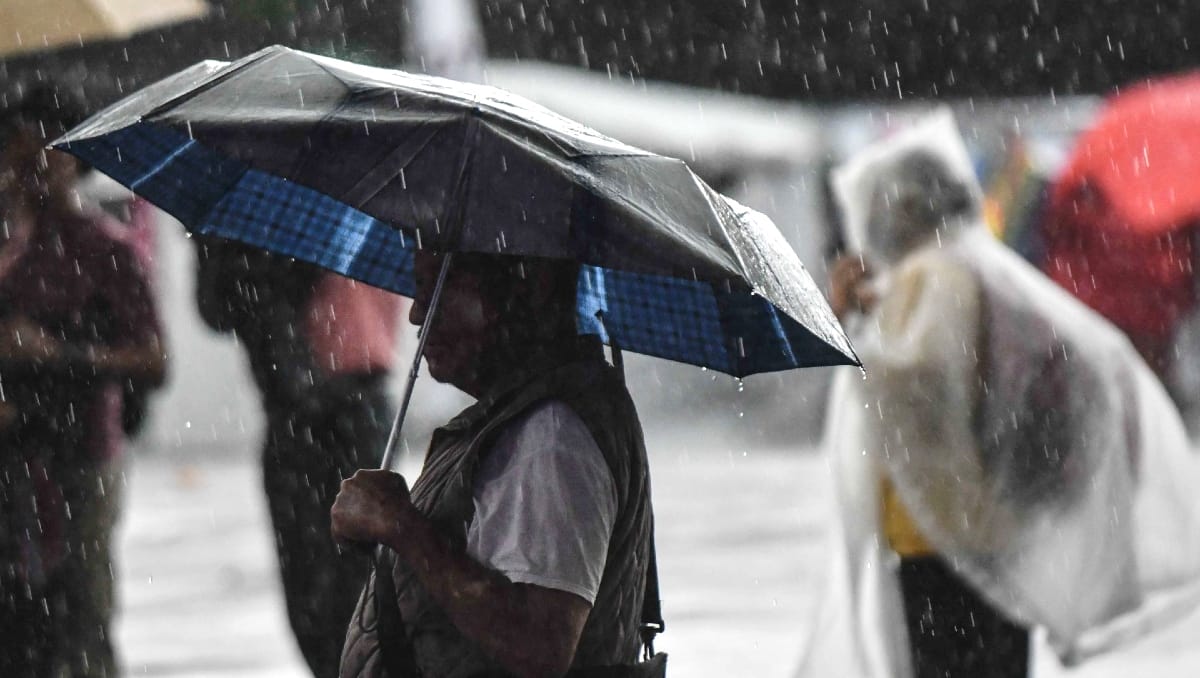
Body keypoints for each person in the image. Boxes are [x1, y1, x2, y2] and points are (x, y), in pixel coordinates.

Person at [796, 111, 1200, 678]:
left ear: (908, 206)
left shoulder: (935, 275)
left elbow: (921, 381)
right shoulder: (976, 269)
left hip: (946, 534)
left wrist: (852, 322)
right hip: (984, 525)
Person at [333, 251, 660, 678]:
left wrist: (401, 527)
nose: (417, 314)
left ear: (527, 288)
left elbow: (539, 647)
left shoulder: (553, 435)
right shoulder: (516, 418)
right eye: (420, 288)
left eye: (442, 287)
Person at [0, 83, 167, 677]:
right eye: (14, 160)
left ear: (71, 160)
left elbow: (153, 358)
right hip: (12, 461)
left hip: (81, 459)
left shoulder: (104, 248)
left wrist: (58, 352)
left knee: (81, 621)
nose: (25, 175)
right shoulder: (10, 245)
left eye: (38, 159)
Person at [193, 236, 404, 677]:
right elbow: (217, 306)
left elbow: (226, 302)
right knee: (315, 590)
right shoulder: (268, 222)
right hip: (301, 409)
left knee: (349, 590)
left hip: (347, 400)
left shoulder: (329, 212)